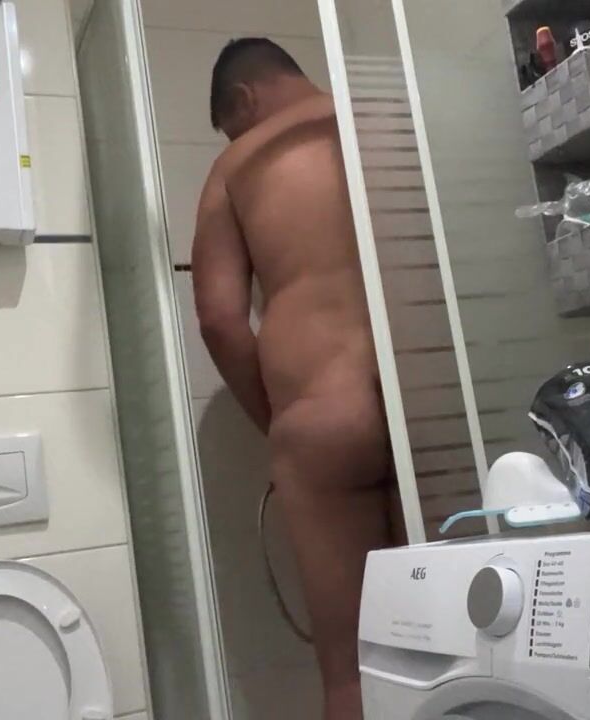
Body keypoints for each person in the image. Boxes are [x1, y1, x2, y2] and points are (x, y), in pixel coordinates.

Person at [193, 38, 396, 720]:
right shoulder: (381, 116)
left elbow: (220, 320)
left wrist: (281, 421)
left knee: (353, 675)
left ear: (244, 99)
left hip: (323, 418)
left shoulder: (235, 166)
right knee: (461, 644)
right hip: (427, 403)